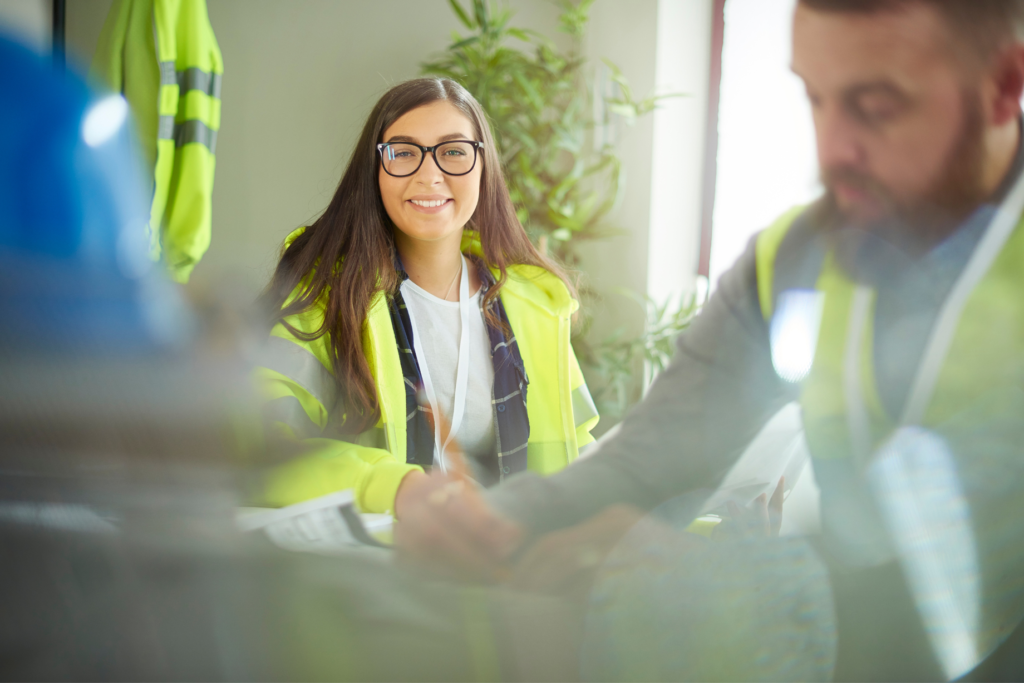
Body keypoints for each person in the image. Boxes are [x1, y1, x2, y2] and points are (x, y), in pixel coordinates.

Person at [395, 1, 1024, 679]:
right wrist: (494, 519)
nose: (833, 150)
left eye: (876, 106)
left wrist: (698, 576)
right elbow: (653, 458)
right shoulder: (797, 257)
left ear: (1003, 86)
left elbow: (958, 572)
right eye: (815, 99)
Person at [252, 77, 600, 518]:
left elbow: (578, 448)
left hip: (511, 562)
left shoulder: (535, 307)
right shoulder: (326, 296)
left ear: (484, 166)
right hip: (378, 572)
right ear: (375, 169)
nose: (429, 175)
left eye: (454, 151)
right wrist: (391, 487)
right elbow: (259, 446)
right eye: (403, 152)